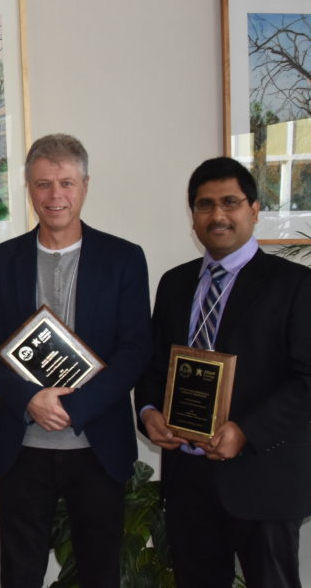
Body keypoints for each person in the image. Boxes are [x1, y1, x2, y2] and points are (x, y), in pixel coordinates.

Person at [0, 134, 150, 588]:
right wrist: (30, 399)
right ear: (28, 188)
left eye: (66, 183)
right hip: (24, 446)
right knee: (20, 573)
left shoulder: (124, 259)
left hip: (98, 446)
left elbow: (134, 350)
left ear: (85, 185)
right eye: (44, 184)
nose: (56, 196)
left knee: (99, 572)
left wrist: (77, 407)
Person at [136, 157, 311, 587]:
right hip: (188, 482)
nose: (217, 215)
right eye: (204, 205)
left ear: (253, 209)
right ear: (192, 215)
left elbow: (307, 380)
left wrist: (246, 431)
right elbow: (154, 365)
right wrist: (149, 410)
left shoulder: (295, 284)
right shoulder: (174, 284)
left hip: (263, 478)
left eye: (230, 202)